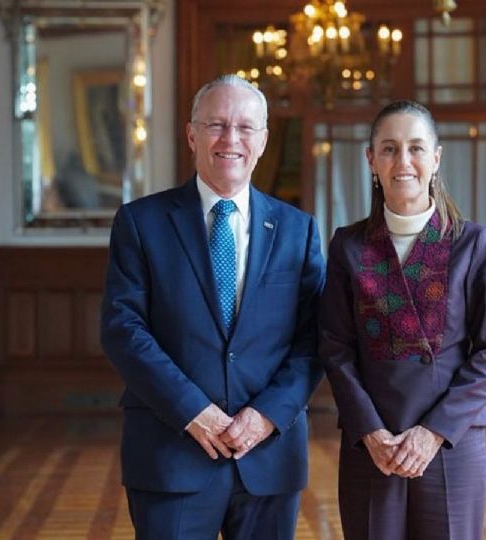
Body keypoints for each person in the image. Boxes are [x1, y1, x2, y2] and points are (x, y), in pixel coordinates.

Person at [100, 74, 325, 540]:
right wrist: (192, 410)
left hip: (267, 458)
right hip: (170, 452)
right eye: (217, 125)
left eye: (246, 128)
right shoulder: (140, 223)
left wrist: (265, 417)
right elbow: (123, 328)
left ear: (263, 141)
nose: (231, 139)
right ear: (191, 134)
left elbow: (316, 338)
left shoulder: (298, 230)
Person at [319, 100, 486, 540]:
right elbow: (335, 348)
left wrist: (433, 432)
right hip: (373, 443)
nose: (403, 161)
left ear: (436, 158)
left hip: (449, 441)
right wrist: (369, 430)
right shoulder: (348, 246)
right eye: (388, 149)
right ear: (371, 160)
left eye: (416, 148)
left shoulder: (472, 243)